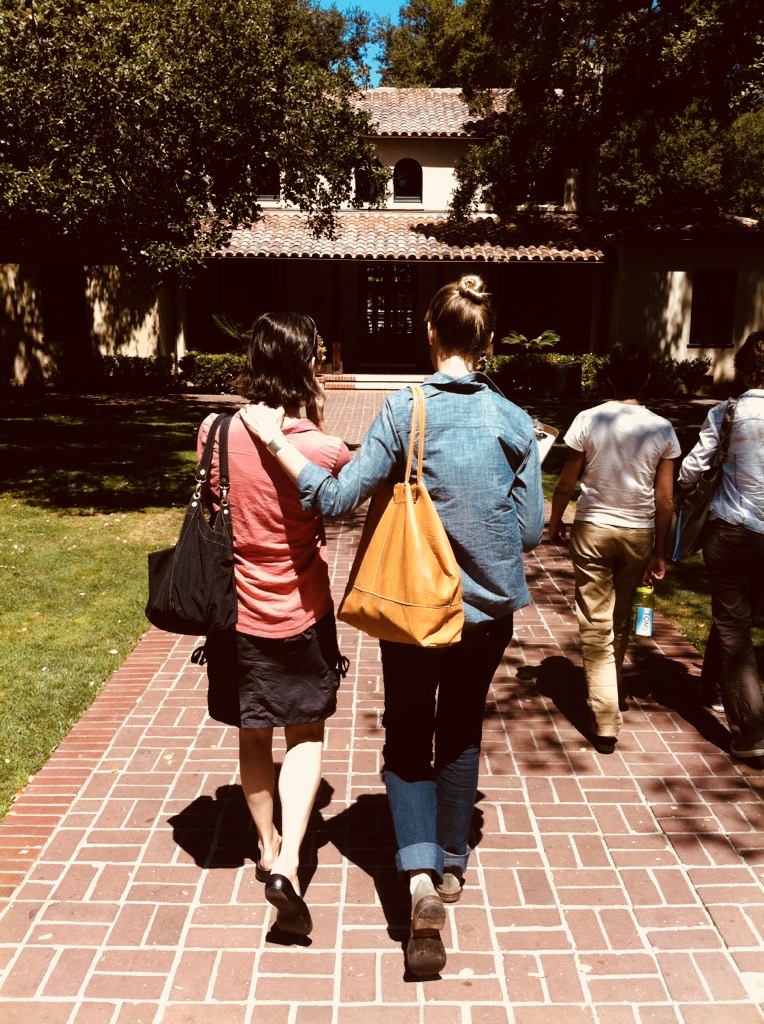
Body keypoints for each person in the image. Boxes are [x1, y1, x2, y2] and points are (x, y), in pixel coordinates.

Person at [240, 275, 544, 977]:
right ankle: (451, 866)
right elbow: (529, 531)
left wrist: (277, 444)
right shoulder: (515, 420)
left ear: (431, 335)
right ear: (490, 342)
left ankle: (413, 875)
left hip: (412, 609)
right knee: (462, 725)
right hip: (487, 612)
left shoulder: (402, 410)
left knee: (409, 730)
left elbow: (339, 498)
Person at [198, 311, 350, 937]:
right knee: (304, 732)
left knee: (253, 734)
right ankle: (291, 856)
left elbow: (213, 501)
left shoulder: (211, 431)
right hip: (299, 611)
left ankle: (263, 846)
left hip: (234, 613)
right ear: (307, 363)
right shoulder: (322, 449)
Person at [547, 343, 680, 753]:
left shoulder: (589, 419)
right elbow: (665, 500)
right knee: (618, 617)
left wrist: (555, 522)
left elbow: (566, 482)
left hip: (594, 529)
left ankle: (605, 717)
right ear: (646, 379)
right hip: (637, 533)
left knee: (596, 621)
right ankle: (610, 687)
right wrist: (660, 550)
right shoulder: (662, 429)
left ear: (608, 377)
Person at [678, 330, 764, 759]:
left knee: (734, 625)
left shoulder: (729, 413)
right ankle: (711, 687)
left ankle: (751, 731)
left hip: (731, 529)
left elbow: (694, 468)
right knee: (736, 618)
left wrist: (680, 485)